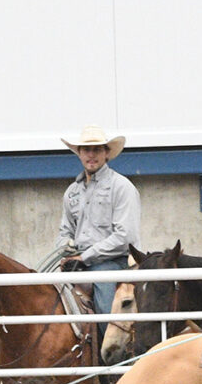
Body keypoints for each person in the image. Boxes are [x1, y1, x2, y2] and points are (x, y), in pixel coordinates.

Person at [54, 123, 140, 317]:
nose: (91, 155)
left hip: (113, 261)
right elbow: (65, 231)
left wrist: (84, 257)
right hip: (78, 261)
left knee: (105, 306)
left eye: (97, 149)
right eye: (86, 150)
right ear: (79, 154)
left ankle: (110, 345)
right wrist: (65, 251)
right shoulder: (72, 192)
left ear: (106, 154)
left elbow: (125, 237)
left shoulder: (121, 187)